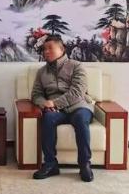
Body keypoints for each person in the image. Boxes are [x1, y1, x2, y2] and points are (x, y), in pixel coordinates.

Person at [31, 35, 96, 182]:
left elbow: (77, 92)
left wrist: (54, 103)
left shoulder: (76, 66)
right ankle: (50, 164)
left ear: (62, 49)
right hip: (56, 111)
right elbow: (36, 95)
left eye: (50, 48)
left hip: (79, 106)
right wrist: (44, 104)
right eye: (44, 49)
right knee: (47, 118)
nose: (46, 52)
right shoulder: (42, 72)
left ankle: (84, 164)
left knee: (81, 119)